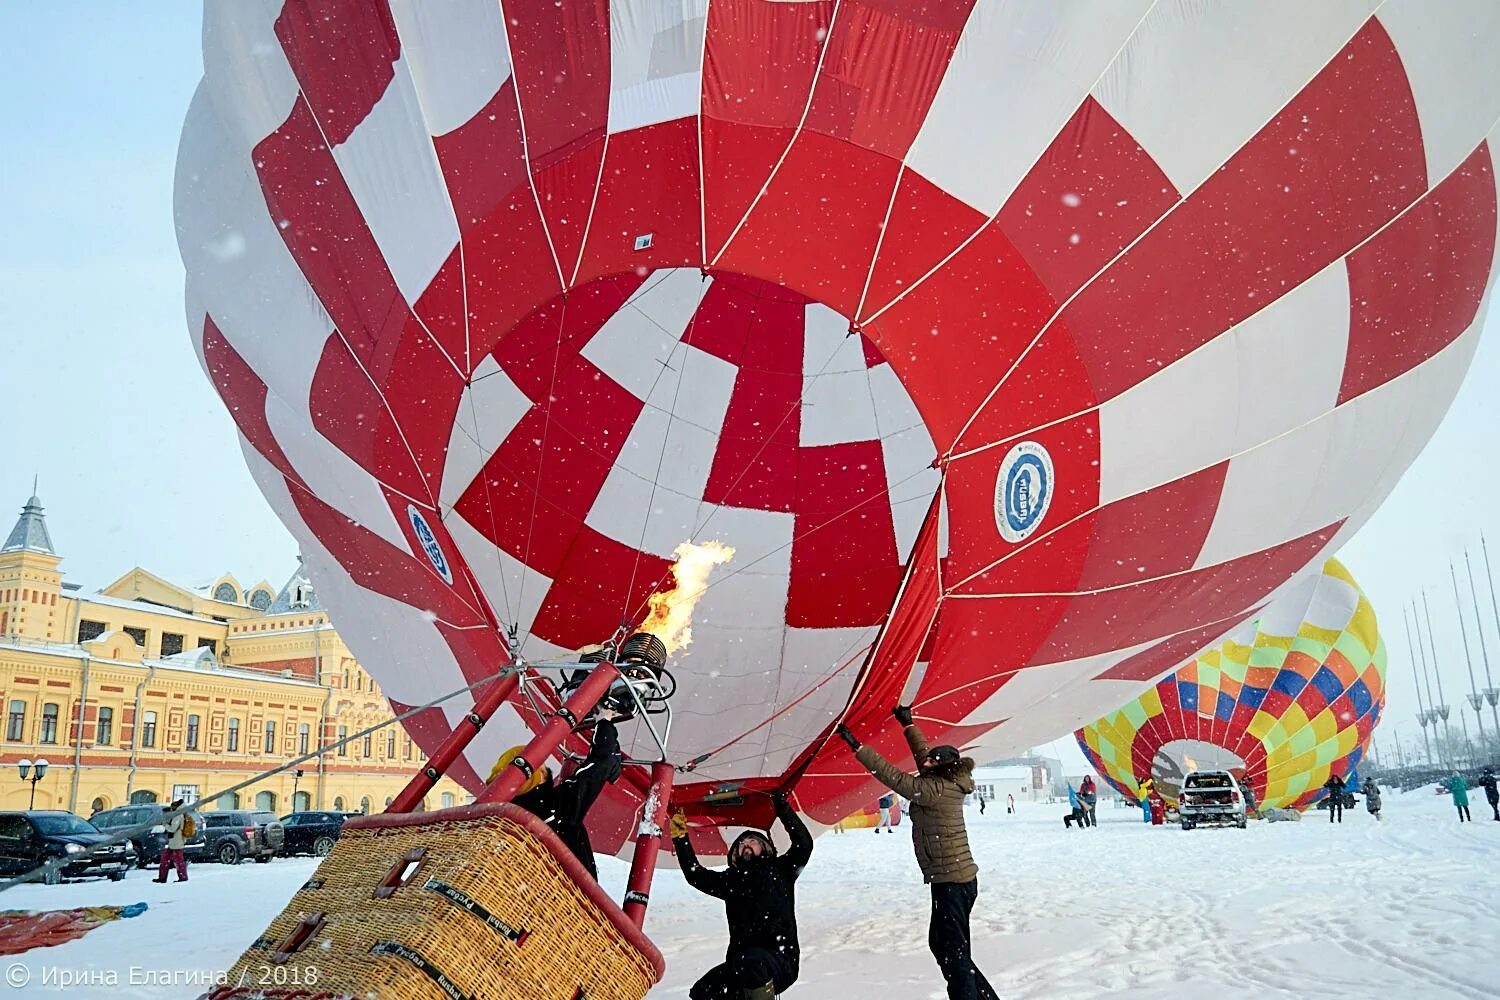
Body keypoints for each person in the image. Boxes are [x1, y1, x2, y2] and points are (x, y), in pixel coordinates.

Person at [838, 707, 997, 1000]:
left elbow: (896, 779)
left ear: (941, 767)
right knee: (947, 946)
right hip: (955, 880)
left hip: (953, 882)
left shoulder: (934, 788)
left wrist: (858, 748)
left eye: (931, 761)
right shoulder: (945, 777)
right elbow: (924, 753)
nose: (925, 762)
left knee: (951, 950)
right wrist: (908, 724)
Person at [671, 791, 812, 1000]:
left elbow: (804, 844)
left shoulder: (782, 869)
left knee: (752, 964)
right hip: (741, 963)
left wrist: (782, 808)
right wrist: (679, 834)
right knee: (703, 990)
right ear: (734, 855)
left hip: (780, 960)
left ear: (765, 846)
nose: (745, 845)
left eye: (751, 841)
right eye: (740, 845)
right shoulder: (730, 880)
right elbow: (695, 875)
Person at [489, 716, 623, 880]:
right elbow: (600, 765)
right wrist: (605, 721)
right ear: (539, 776)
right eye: (541, 765)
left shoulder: (502, 816)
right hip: (574, 897)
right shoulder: (557, 807)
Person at [153, 799, 189, 883]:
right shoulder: (180, 814)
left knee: (177, 860)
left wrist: (165, 824)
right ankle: (162, 877)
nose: (171, 808)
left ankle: (182, 877)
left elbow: (173, 829)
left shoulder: (178, 816)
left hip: (177, 841)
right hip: (174, 841)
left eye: (172, 807)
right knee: (167, 859)